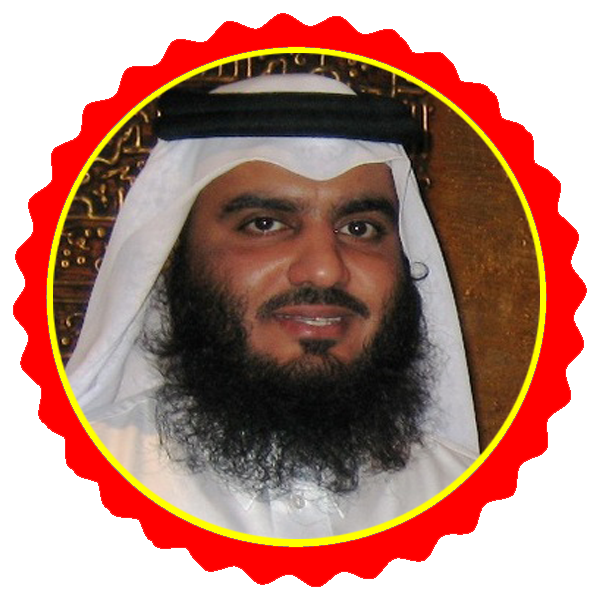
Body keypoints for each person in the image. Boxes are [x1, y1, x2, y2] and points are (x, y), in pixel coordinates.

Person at [66, 73, 479, 539]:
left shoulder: (466, 500)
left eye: (360, 229)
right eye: (264, 224)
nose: (325, 270)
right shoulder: (68, 487)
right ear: (172, 257)